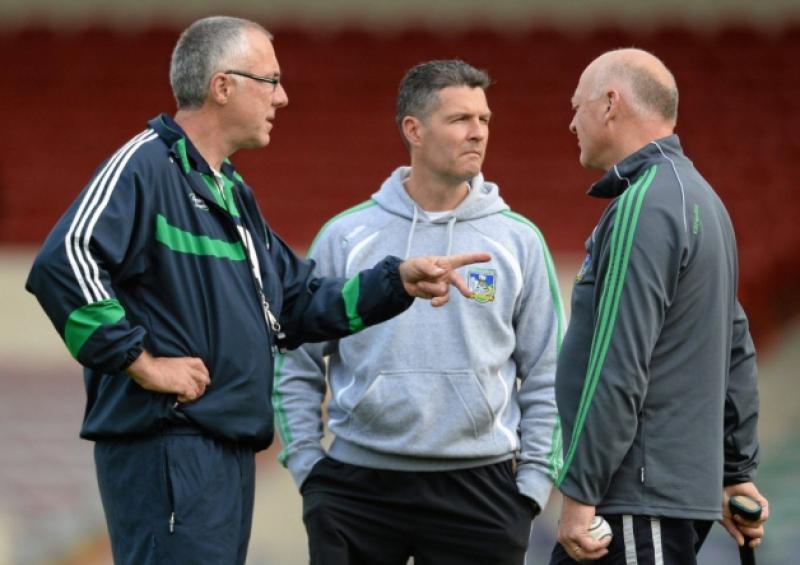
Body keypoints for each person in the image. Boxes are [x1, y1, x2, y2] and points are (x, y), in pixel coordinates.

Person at [24, 18, 490, 565]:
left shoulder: (231, 190)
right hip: (169, 446)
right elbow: (64, 262)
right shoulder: (146, 164)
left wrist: (396, 283)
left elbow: (291, 305)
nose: (283, 97)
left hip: (224, 447)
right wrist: (141, 362)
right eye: (270, 81)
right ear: (223, 87)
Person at [273, 59, 564, 565]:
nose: (478, 133)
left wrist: (532, 485)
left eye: (485, 119)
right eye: (460, 120)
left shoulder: (518, 240)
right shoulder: (346, 236)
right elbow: (295, 355)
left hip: (481, 490)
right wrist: (307, 465)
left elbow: (548, 373)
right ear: (414, 129)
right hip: (355, 489)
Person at [551, 48, 769, 564]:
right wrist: (735, 472)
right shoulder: (705, 201)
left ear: (610, 103)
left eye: (577, 105)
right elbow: (735, 346)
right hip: (663, 500)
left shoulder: (642, 204)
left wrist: (580, 494)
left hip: (629, 501)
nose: (570, 122)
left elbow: (616, 362)